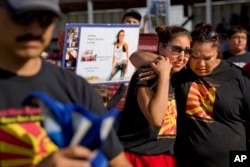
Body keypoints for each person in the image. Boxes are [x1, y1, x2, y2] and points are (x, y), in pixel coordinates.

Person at [0, 0, 132, 167]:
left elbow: (118, 163)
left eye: (46, 18)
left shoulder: (76, 88)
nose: (34, 29)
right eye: (22, 17)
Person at [130, 22, 250, 167]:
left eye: (207, 58)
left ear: (218, 53)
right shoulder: (181, 72)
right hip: (187, 162)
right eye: (195, 57)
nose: (201, 64)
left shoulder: (237, 76)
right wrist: (161, 65)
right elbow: (135, 56)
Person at [117, 25, 192, 167]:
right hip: (136, 155)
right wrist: (163, 73)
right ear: (162, 48)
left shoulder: (180, 74)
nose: (182, 57)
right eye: (176, 49)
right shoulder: (146, 74)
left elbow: (136, 56)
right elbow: (156, 119)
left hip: (165, 156)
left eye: (187, 51)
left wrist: (165, 67)